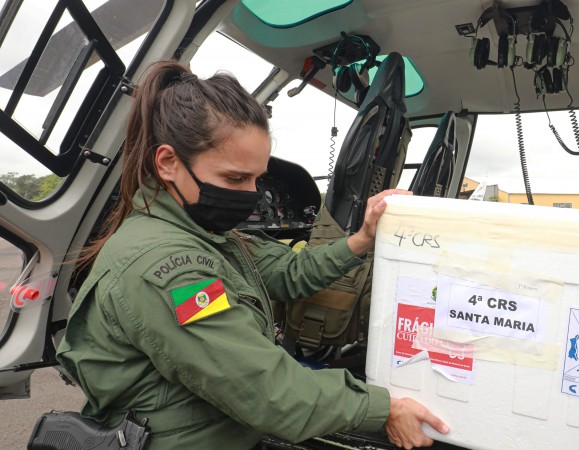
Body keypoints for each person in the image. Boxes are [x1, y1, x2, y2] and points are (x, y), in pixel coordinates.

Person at [56, 61, 448, 450]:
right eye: (234, 178)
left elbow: (292, 271)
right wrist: (384, 408)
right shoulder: (169, 269)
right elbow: (267, 391)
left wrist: (363, 237)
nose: (249, 195)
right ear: (168, 164)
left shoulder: (206, 233)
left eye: (257, 178)